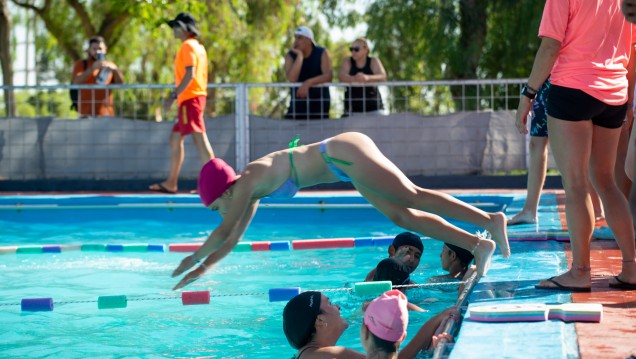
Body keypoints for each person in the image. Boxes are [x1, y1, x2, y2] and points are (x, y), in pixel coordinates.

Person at [171, 132, 509, 290]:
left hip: (342, 152)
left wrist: (192, 258)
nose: (219, 213)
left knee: (412, 195)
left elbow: (222, 232)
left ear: (226, 191)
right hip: (342, 167)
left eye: (216, 207)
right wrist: (202, 268)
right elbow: (231, 239)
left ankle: (490, 221)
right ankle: (479, 244)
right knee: (402, 217)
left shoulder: (246, 182)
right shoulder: (249, 191)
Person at [516, 0, 636, 291]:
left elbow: (549, 47)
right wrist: (628, 98)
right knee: (607, 182)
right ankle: (632, 268)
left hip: (572, 89)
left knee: (576, 184)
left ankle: (581, 270)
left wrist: (528, 93)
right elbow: (632, 50)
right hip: (614, 93)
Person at [508, 78, 605, 225]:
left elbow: (549, 53)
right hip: (547, 83)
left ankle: (596, 207)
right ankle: (529, 209)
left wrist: (528, 94)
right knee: (537, 143)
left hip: (570, 82)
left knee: (577, 151)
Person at [149, 12, 215, 194]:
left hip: (190, 99)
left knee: (200, 139)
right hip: (192, 98)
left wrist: (173, 95)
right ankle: (171, 183)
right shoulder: (199, 47)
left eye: (176, 27)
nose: (174, 30)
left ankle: (216, 183)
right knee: (175, 138)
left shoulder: (187, 46)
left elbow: (189, 74)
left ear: (185, 29)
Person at [281, 290, 455, 359]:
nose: (338, 306)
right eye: (330, 303)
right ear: (320, 321)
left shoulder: (310, 355)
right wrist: (435, 320)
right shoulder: (330, 355)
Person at [284, 26, 333, 120]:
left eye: (300, 38)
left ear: (309, 40)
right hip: (298, 105)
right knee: (294, 134)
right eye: (295, 38)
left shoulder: (322, 52)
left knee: (319, 133)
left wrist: (308, 83)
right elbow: (292, 78)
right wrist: (300, 56)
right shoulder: (290, 55)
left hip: (319, 104)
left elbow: (328, 76)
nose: (296, 41)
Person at [71, 36, 124, 117]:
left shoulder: (111, 66)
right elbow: (75, 83)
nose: (97, 51)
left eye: (100, 48)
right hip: (85, 115)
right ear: (89, 50)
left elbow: (121, 85)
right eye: (94, 49)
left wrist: (115, 70)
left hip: (107, 116)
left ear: (105, 49)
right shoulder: (81, 64)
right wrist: (92, 69)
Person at [338, 38, 387, 116]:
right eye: (351, 49)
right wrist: (354, 79)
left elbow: (383, 76)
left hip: (374, 107)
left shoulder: (373, 61)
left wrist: (367, 78)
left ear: (366, 49)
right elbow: (341, 76)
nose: (353, 52)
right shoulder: (347, 61)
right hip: (352, 109)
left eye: (356, 49)